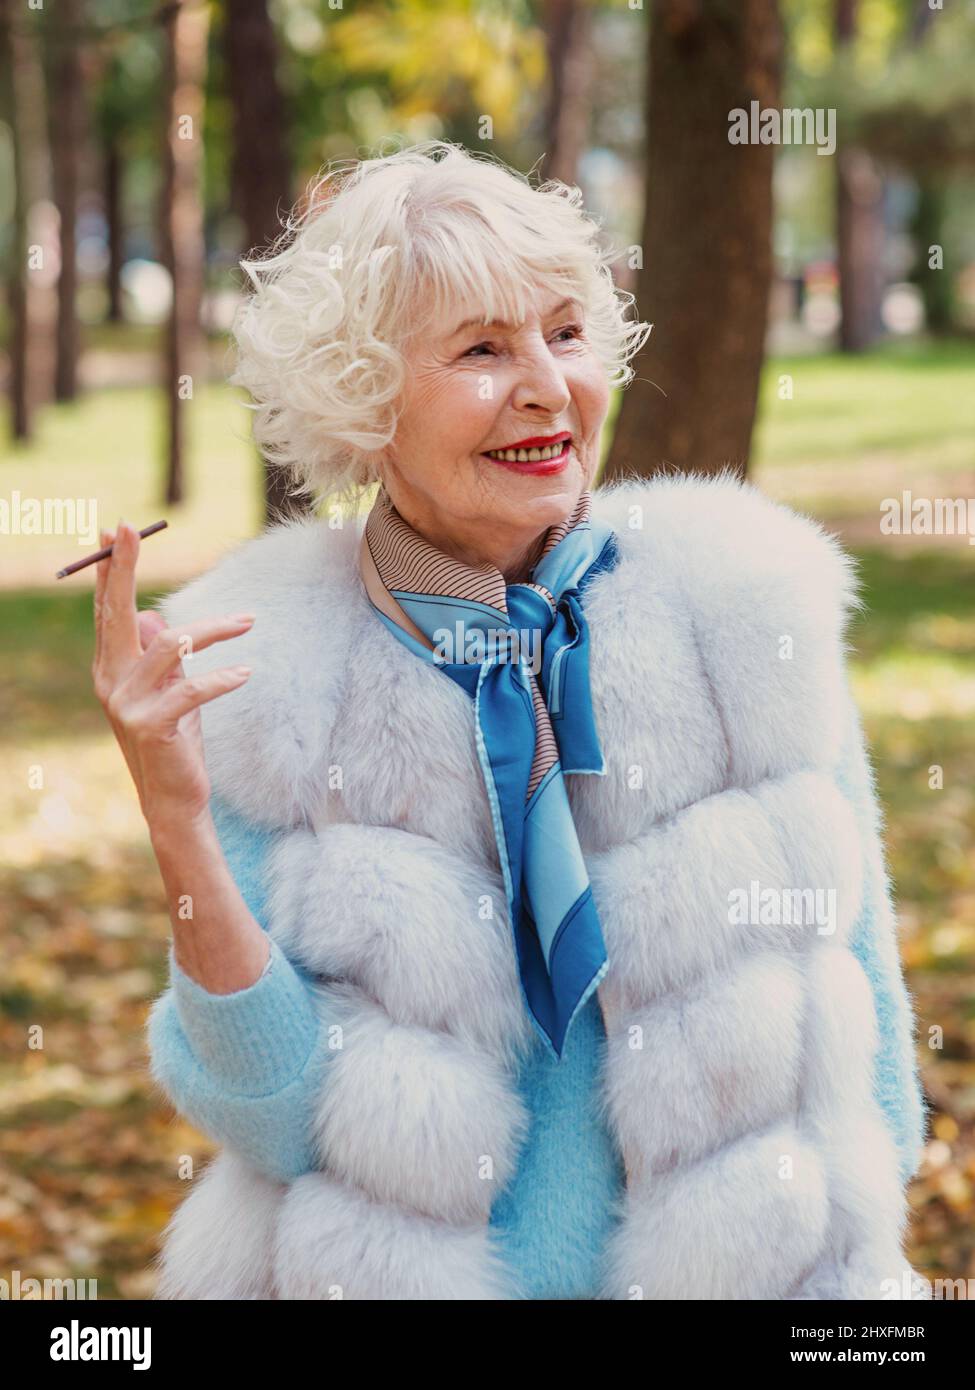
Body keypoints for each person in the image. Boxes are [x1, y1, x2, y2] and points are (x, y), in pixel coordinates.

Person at [92, 140, 928, 1300]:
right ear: (366, 395)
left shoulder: (744, 610)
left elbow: (871, 1048)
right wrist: (176, 819)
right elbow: (270, 1117)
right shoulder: (266, 670)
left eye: (566, 332)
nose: (547, 385)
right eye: (483, 348)